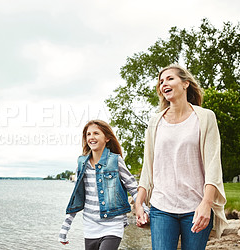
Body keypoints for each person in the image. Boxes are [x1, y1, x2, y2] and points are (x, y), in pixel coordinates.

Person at [134, 64, 228, 250]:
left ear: (185, 84)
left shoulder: (205, 117)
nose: (164, 84)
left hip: (196, 207)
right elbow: (148, 167)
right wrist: (138, 203)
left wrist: (206, 204)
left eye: (170, 79)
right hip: (161, 208)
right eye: (161, 82)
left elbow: (213, 166)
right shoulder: (155, 122)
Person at [59, 119, 149, 250]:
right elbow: (77, 196)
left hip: (113, 225)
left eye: (96, 133)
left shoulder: (115, 160)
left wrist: (143, 209)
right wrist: (65, 227)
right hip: (90, 226)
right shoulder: (82, 163)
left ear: (107, 138)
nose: (91, 137)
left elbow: (133, 188)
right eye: (88, 134)